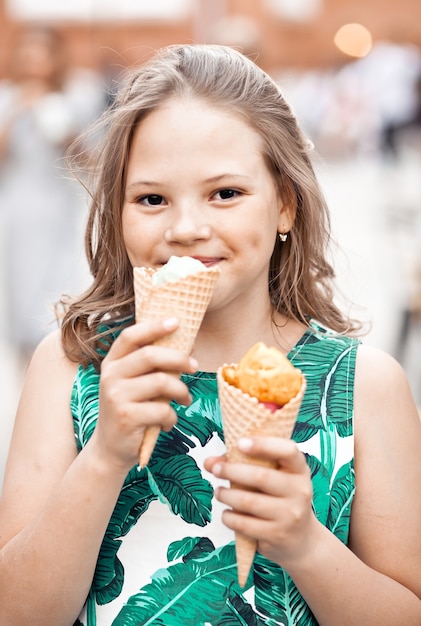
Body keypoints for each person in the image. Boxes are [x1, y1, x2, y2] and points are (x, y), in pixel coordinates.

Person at [0, 43, 420, 626]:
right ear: (115, 213)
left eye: (226, 193)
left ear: (286, 206)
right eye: (151, 199)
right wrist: (105, 455)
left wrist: (306, 544)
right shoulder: (70, 369)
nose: (187, 228)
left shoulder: (366, 387)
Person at [0, 24, 106, 366]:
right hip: (17, 214)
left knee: (58, 292)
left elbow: (88, 160)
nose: (34, 59)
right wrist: (17, 113)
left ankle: (57, 362)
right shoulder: (6, 98)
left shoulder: (77, 97)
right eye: (28, 51)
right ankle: (24, 369)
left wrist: (56, 118)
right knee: (20, 293)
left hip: (59, 211)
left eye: (43, 51)